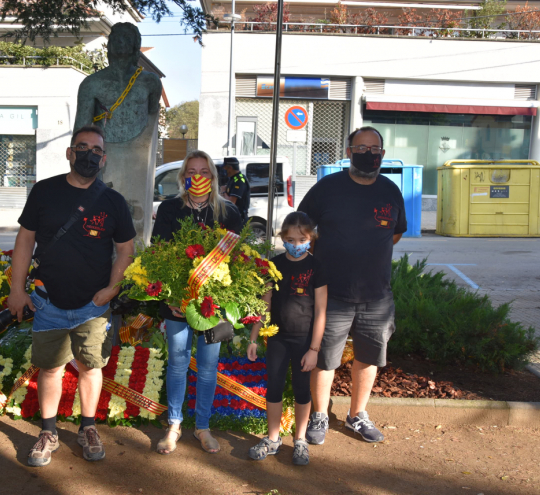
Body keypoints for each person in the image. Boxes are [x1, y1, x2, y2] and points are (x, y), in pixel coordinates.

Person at [8, 125, 136, 467]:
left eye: (96, 150)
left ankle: (88, 428)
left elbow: (125, 251)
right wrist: (16, 290)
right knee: (49, 369)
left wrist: (111, 289)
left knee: (91, 368)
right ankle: (48, 432)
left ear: (104, 159)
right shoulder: (44, 192)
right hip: (47, 301)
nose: (89, 155)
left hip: (91, 307)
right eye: (82, 147)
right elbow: (24, 243)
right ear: (69, 152)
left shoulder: (112, 201)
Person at [298, 126, 406, 444]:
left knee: (368, 357)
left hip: (377, 296)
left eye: (374, 149)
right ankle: (319, 415)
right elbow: (301, 226)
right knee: (324, 357)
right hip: (332, 293)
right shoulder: (327, 188)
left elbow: (396, 232)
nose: (368, 154)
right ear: (348, 152)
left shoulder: (390, 190)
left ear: (382, 155)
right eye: (361, 148)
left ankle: (357, 415)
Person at [151, 150, 243, 455]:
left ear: (214, 178)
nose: (198, 176)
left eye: (205, 171)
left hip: (214, 308)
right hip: (178, 303)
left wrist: (222, 301)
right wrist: (174, 297)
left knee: (207, 366)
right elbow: (159, 254)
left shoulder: (229, 213)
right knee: (177, 363)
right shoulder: (169, 209)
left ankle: (203, 427)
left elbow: (240, 263)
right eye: (192, 171)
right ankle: (174, 424)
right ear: (183, 177)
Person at [247, 212, 328, 466]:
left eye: (301, 238)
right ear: (282, 237)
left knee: (303, 389)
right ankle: (273, 439)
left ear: (310, 238)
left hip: (305, 341)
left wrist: (314, 349)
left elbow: (321, 311)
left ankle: (301, 440)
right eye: (290, 238)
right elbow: (265, 303)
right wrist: (253, 337)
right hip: (278, 338)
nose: (295, 243)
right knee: (274, 385)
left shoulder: (317, 267)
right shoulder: (275, 264)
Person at [222, 157, 250, 224]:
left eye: (225, 168)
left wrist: (223, 191)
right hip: (232, 216)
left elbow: (231, 202)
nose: (224, 170)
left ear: (230, 168)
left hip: (239, 218)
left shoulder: (239, 180)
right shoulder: (232, 179)